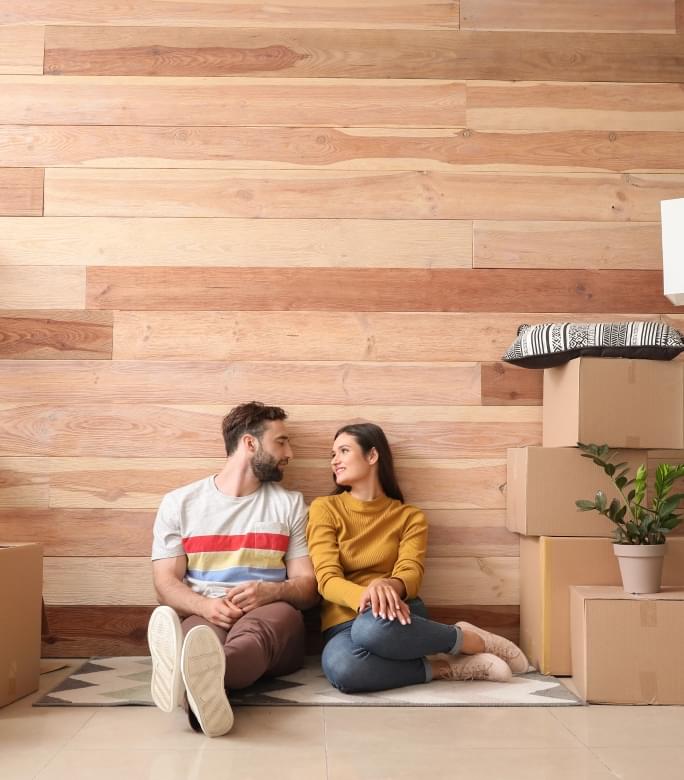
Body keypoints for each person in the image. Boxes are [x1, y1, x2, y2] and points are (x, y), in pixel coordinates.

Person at [306, 422, 529, 693]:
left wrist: (387, 586)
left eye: (343, 451)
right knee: (345, 669)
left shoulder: (409, 517)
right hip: (342, 622)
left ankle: (472, 640)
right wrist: (368, 594)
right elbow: (327, 580)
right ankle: (449, 665)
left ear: (372, 456)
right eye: (333, 455)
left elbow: (410, 572)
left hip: (396, 617)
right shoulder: (324, 508)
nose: (335, 461)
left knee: (371, 630)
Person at [147, 402, 319, 737]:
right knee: (198, 639)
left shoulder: (291, 504)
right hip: (208, 611)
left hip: (272, 616)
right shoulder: (180, 503)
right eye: (281, 441)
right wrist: (206, 606)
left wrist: (274, 591)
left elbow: (308, 587)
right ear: (250, 444)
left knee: (255, 634)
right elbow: (164, 583)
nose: (290, 453)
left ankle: (184, 677)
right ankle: (202, 692)